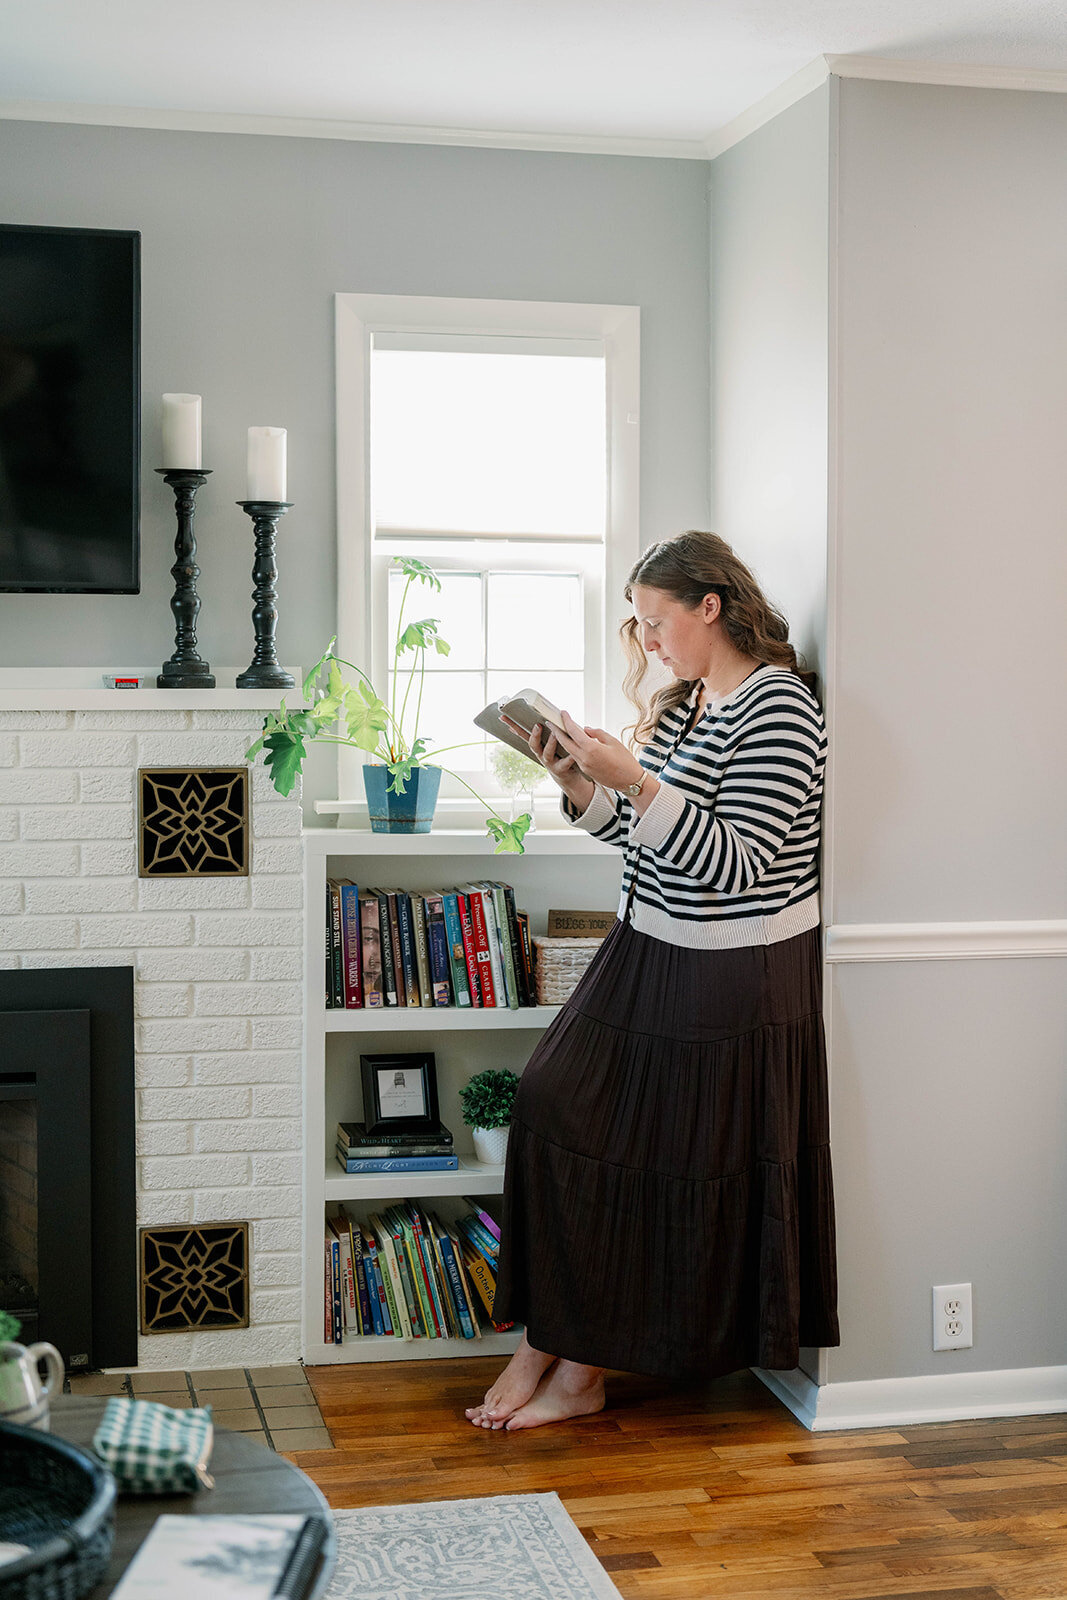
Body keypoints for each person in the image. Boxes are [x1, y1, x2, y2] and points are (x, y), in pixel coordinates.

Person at [465, 529, 840, 1432]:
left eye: (653, 620)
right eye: (636, 625)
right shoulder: (683, 710)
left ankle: (577, 1368)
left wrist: (632, 779)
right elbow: (648, 845)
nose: (646, 642)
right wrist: (583, 786)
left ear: (709, 606)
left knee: (655, 1167)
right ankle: (546, 1340)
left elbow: (737, 863)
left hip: (731, 968)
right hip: (649, 944)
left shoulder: (780, 710)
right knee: (552, 1106)